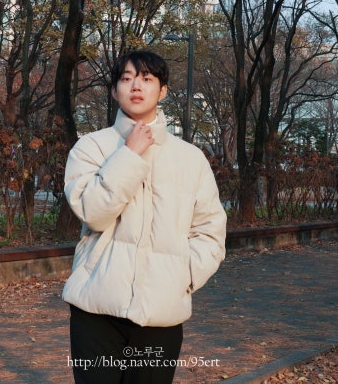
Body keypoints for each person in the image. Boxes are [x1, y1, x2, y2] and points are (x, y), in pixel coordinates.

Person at [62, 50, 227, 383]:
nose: (136, 86)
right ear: (114, 90)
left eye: (147, 79)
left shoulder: (190, 159)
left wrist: (182, 277)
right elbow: (94, 214)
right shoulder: (91, 148)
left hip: (160, 314)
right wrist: (129, 154)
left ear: (162, 90)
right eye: (126, 78)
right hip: (96, 311)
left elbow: (210, 231)